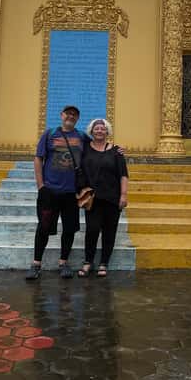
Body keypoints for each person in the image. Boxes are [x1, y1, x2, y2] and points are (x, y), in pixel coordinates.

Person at [25, 105, 87, 280]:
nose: (71, 116)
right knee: (43, 227)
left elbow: (99, 146)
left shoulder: (82, 137)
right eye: (68, 113)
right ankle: (36, 264)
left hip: (71, 193)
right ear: (61, 115)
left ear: (77, 118)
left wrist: (115, 149)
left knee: (69, 229)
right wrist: (40, 186)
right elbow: (38, 158)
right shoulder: (50, 134)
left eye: (74, 114)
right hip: (49, 191)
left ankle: (63, 263)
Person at [78, 118, 128, 278]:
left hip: (112, 198)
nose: (99, 131)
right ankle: (88, 262)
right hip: (92, 198)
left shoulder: (116, 151)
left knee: (109, 231)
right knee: (92, 230)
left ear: (107, 132)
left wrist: (123, 195)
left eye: (102, 129)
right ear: (91, 131)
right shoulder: (84, 149)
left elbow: (123, 175)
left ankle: (104, 263)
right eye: (96, 128)